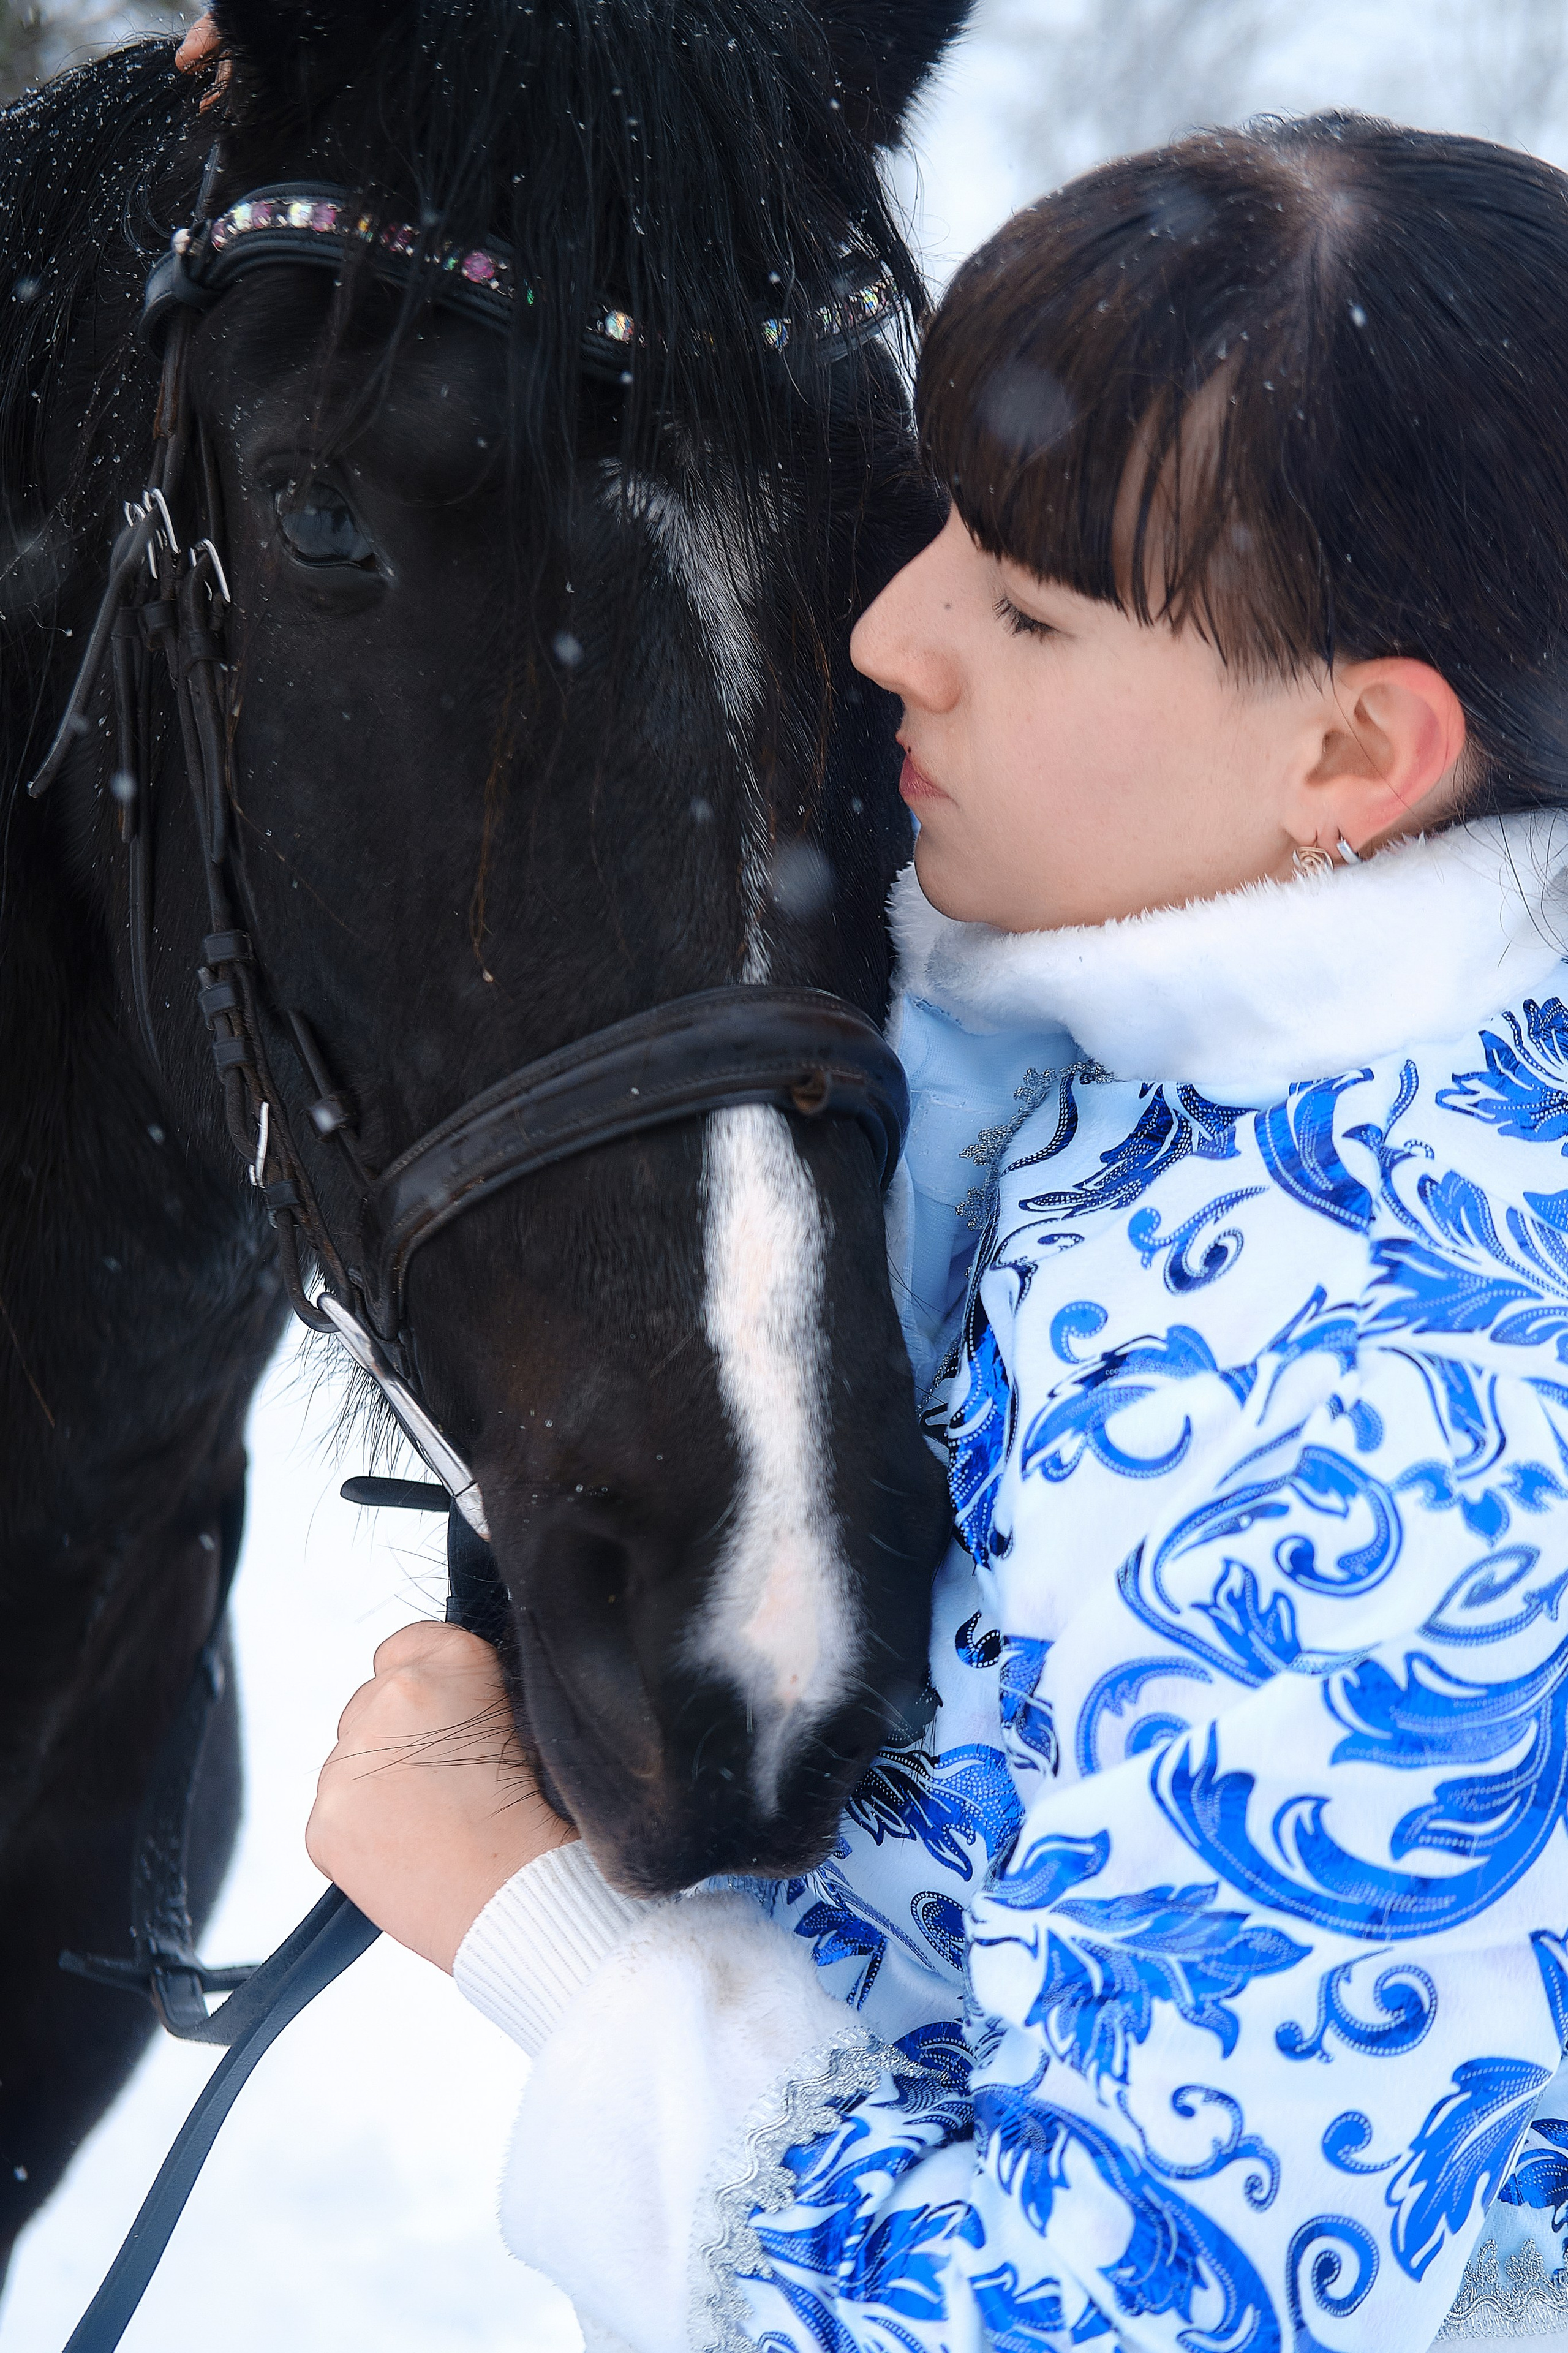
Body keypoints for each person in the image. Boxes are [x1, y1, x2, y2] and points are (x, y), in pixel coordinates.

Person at [306, 112, 1568, 2351]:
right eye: (940, 524)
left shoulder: (1367, 1420)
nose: (891, 630)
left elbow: (1143, 2316)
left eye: (1026, 600)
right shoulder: (1188, 1055)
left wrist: (541, 1927)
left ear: (1358, 752)